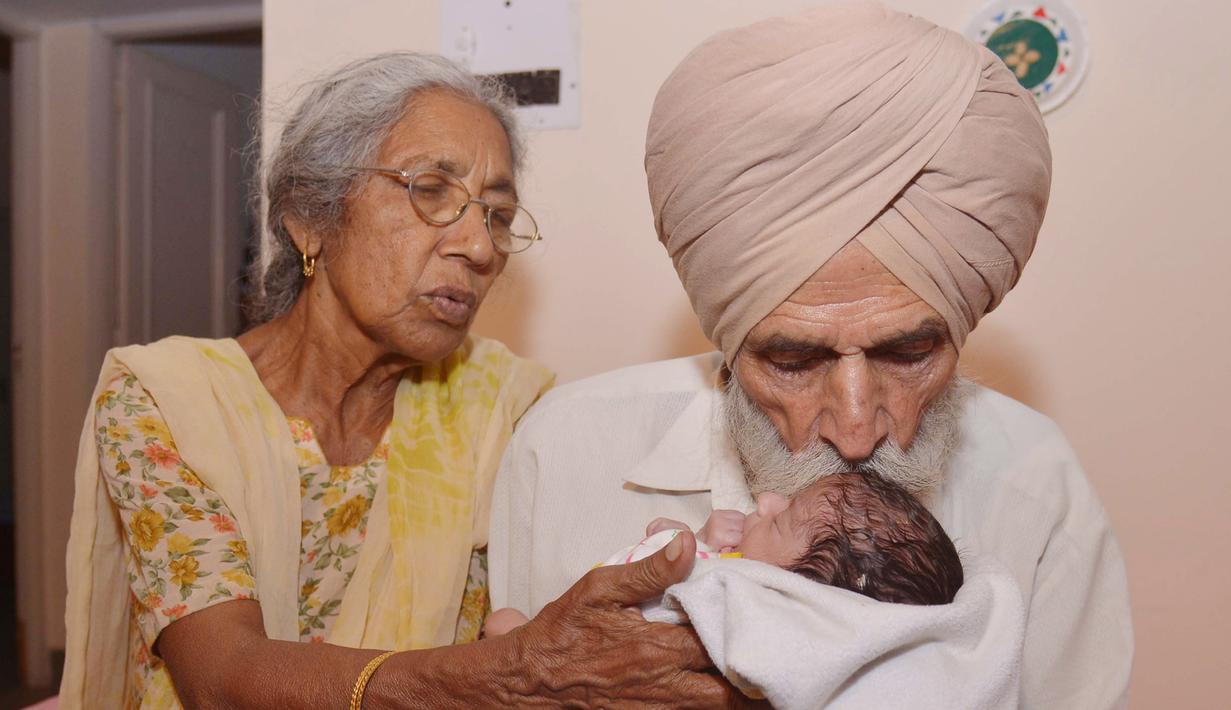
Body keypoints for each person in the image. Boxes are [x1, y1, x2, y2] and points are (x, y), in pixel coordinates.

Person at [490, 4, 1133, 708]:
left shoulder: (1036, 488)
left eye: (910, 351)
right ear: (731, 341)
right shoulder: (566, 451)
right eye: (793, 363)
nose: (856, 429)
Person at [62, 52, 745, 709]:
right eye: (431, 191)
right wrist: (505, 676)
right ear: (311, 217)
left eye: (497, 216)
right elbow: (224, 677)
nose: (478, 248)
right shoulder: (166, 402)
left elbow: (549, 610)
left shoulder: (506, 406)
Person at [486, 470, 964, 637]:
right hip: (573, 620)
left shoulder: (748, 604)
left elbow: (682, 599)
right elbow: (679, 569)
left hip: (584, 638)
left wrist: (690, 545)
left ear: (797, 585)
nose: (766, 502)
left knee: (505, 625)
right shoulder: (733, 567)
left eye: (780, 519)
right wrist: (689, 533)